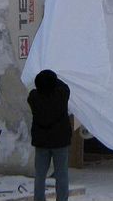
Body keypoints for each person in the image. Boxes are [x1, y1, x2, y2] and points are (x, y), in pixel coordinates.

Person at [27, 69, 72, 201]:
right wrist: (55, 79)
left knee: (40, 175)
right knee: (62, 175)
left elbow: (36, 90)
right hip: (60, 142)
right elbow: (65, 87)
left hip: (41, 143)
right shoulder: (61, 95)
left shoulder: (34, 98)